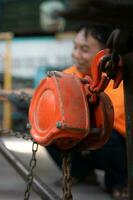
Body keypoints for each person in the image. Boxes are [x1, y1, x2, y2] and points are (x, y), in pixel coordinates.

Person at [46, 24, 128, 199]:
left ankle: (119, 182)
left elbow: (107, 118)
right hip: (89, 144)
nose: (76, 54)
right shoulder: (70, 74)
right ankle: (82, 172)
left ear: (104, 54)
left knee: (105, 129)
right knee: (47, 127)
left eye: (84, 49)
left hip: (120, 150)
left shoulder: (117, 80)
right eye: (75, 47)